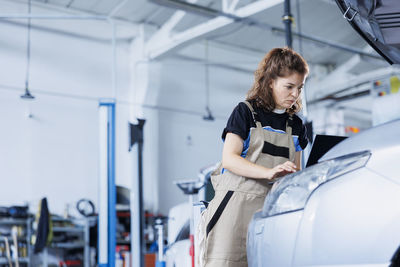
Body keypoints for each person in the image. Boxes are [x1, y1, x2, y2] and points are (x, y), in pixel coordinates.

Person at [198, 47, 309, 267]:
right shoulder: (245, 112)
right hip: (233, 208)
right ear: (270, 82)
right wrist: (268, 173)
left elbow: (294, 173)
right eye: (289, 87)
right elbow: (230, 159)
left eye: (300, 88)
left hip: (270, 212)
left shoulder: (296, 125)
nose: (295, 94)